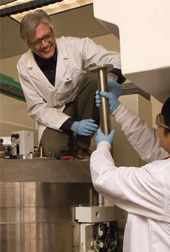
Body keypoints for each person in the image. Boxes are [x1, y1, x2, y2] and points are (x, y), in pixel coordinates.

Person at [90, 89, 170, 252]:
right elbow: (154, 148)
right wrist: (120, 111)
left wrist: (102, 148)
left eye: (159, 121)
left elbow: (105, 179)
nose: (155, 128)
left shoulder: (163, 179)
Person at [17, 10, 125, 160]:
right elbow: (37, 107)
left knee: (94, 77)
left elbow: (113, 58)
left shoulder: (75, 45)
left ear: (53, 31)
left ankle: (81, 146)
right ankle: (70, 146)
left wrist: (113, 77)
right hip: (55, 113)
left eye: (47, 37)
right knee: (51, 149)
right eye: (36, 42)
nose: (45, 44)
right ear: (29, 44)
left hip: (82, 103)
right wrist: (72, 125)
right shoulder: (23, 65)